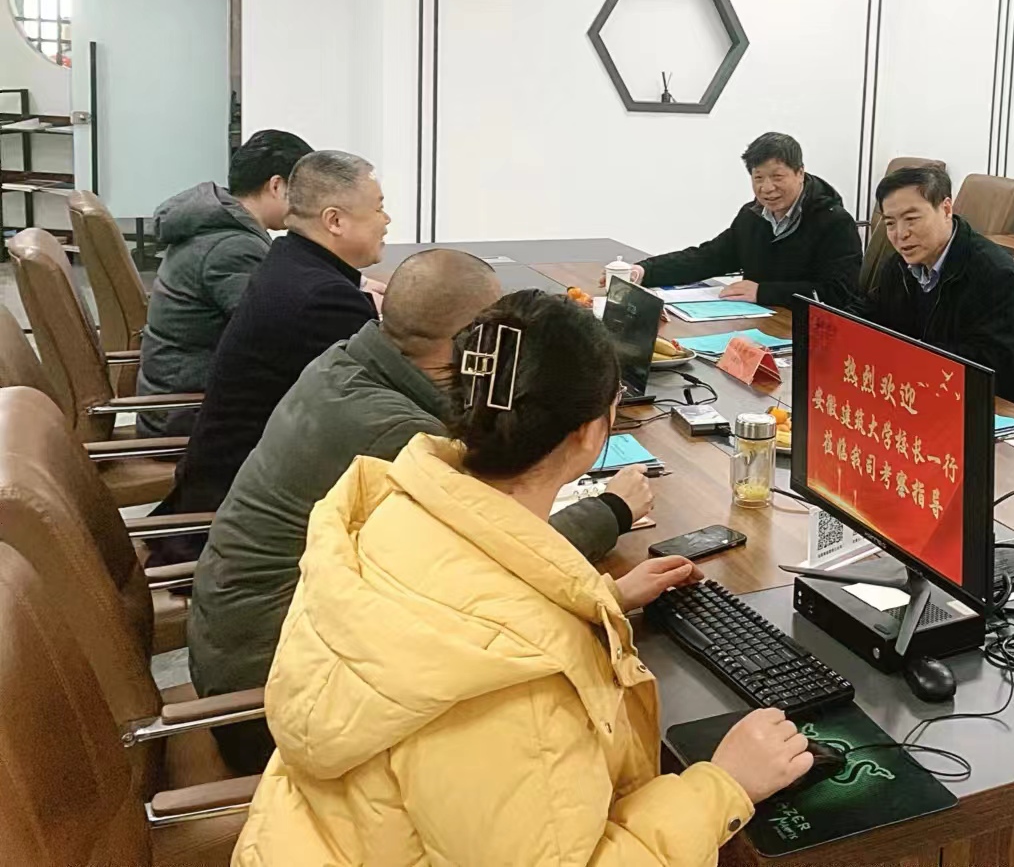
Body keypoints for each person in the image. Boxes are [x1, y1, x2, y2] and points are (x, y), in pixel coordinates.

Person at [231, 290, 811, 866]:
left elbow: (461, 606)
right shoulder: (520, 689)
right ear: (590, 433)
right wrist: (723, 786)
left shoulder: (394, 509)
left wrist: (596, 597)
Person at [187, 249, 656, 774]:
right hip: (278, 697)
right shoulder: (401, 436)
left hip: (254, 646)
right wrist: (611, 510)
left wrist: (604, 595)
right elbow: (498, 556)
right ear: (471, 349)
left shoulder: (343, 363)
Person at [151, 150, 391, 553]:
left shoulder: (289, 261)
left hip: (225, 481)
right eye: (380, 208)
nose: (387, 220)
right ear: (334, 221)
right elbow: (383, 412)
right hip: (244, 524)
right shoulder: (321, 299)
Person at [136, 130, 313, 437]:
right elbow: (272, 335)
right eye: (303, 192)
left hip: (182, 396)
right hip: (189, 413)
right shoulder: (231, 246)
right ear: (276, 186)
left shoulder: (220, 228)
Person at [855, 164, 1014, 407]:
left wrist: (908, 355)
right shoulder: (900, 265)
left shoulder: (995, 275)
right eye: (890, 223)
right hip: (921, 391)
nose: (900, 234)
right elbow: (872, 311)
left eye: (911, 219)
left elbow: (991, 364)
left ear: (946, 209)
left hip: (989, 406)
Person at [626, 132, 862, 308]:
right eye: (758, 178)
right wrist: (645, 271)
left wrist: (763, 292)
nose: (767, 188)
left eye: (777, 177)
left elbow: (838, 293)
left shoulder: (834, 222)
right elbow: (707, 258)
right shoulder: (752, 216)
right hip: (757, 325)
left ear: (800, 173)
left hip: (808, 332)